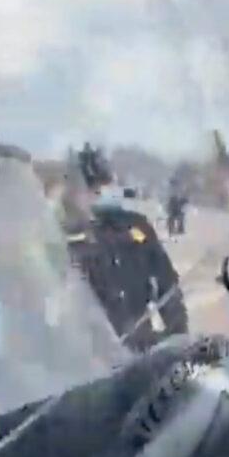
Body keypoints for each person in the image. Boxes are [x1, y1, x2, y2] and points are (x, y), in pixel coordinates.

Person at [61, 145, 191, 353]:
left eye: (104, 184)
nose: (99, 193)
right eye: (91, 188)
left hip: (141, 347)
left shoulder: (136, 227)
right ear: (74, 193)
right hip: (92, 358)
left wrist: (177, 340)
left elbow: (168, 287)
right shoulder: (66, 238)